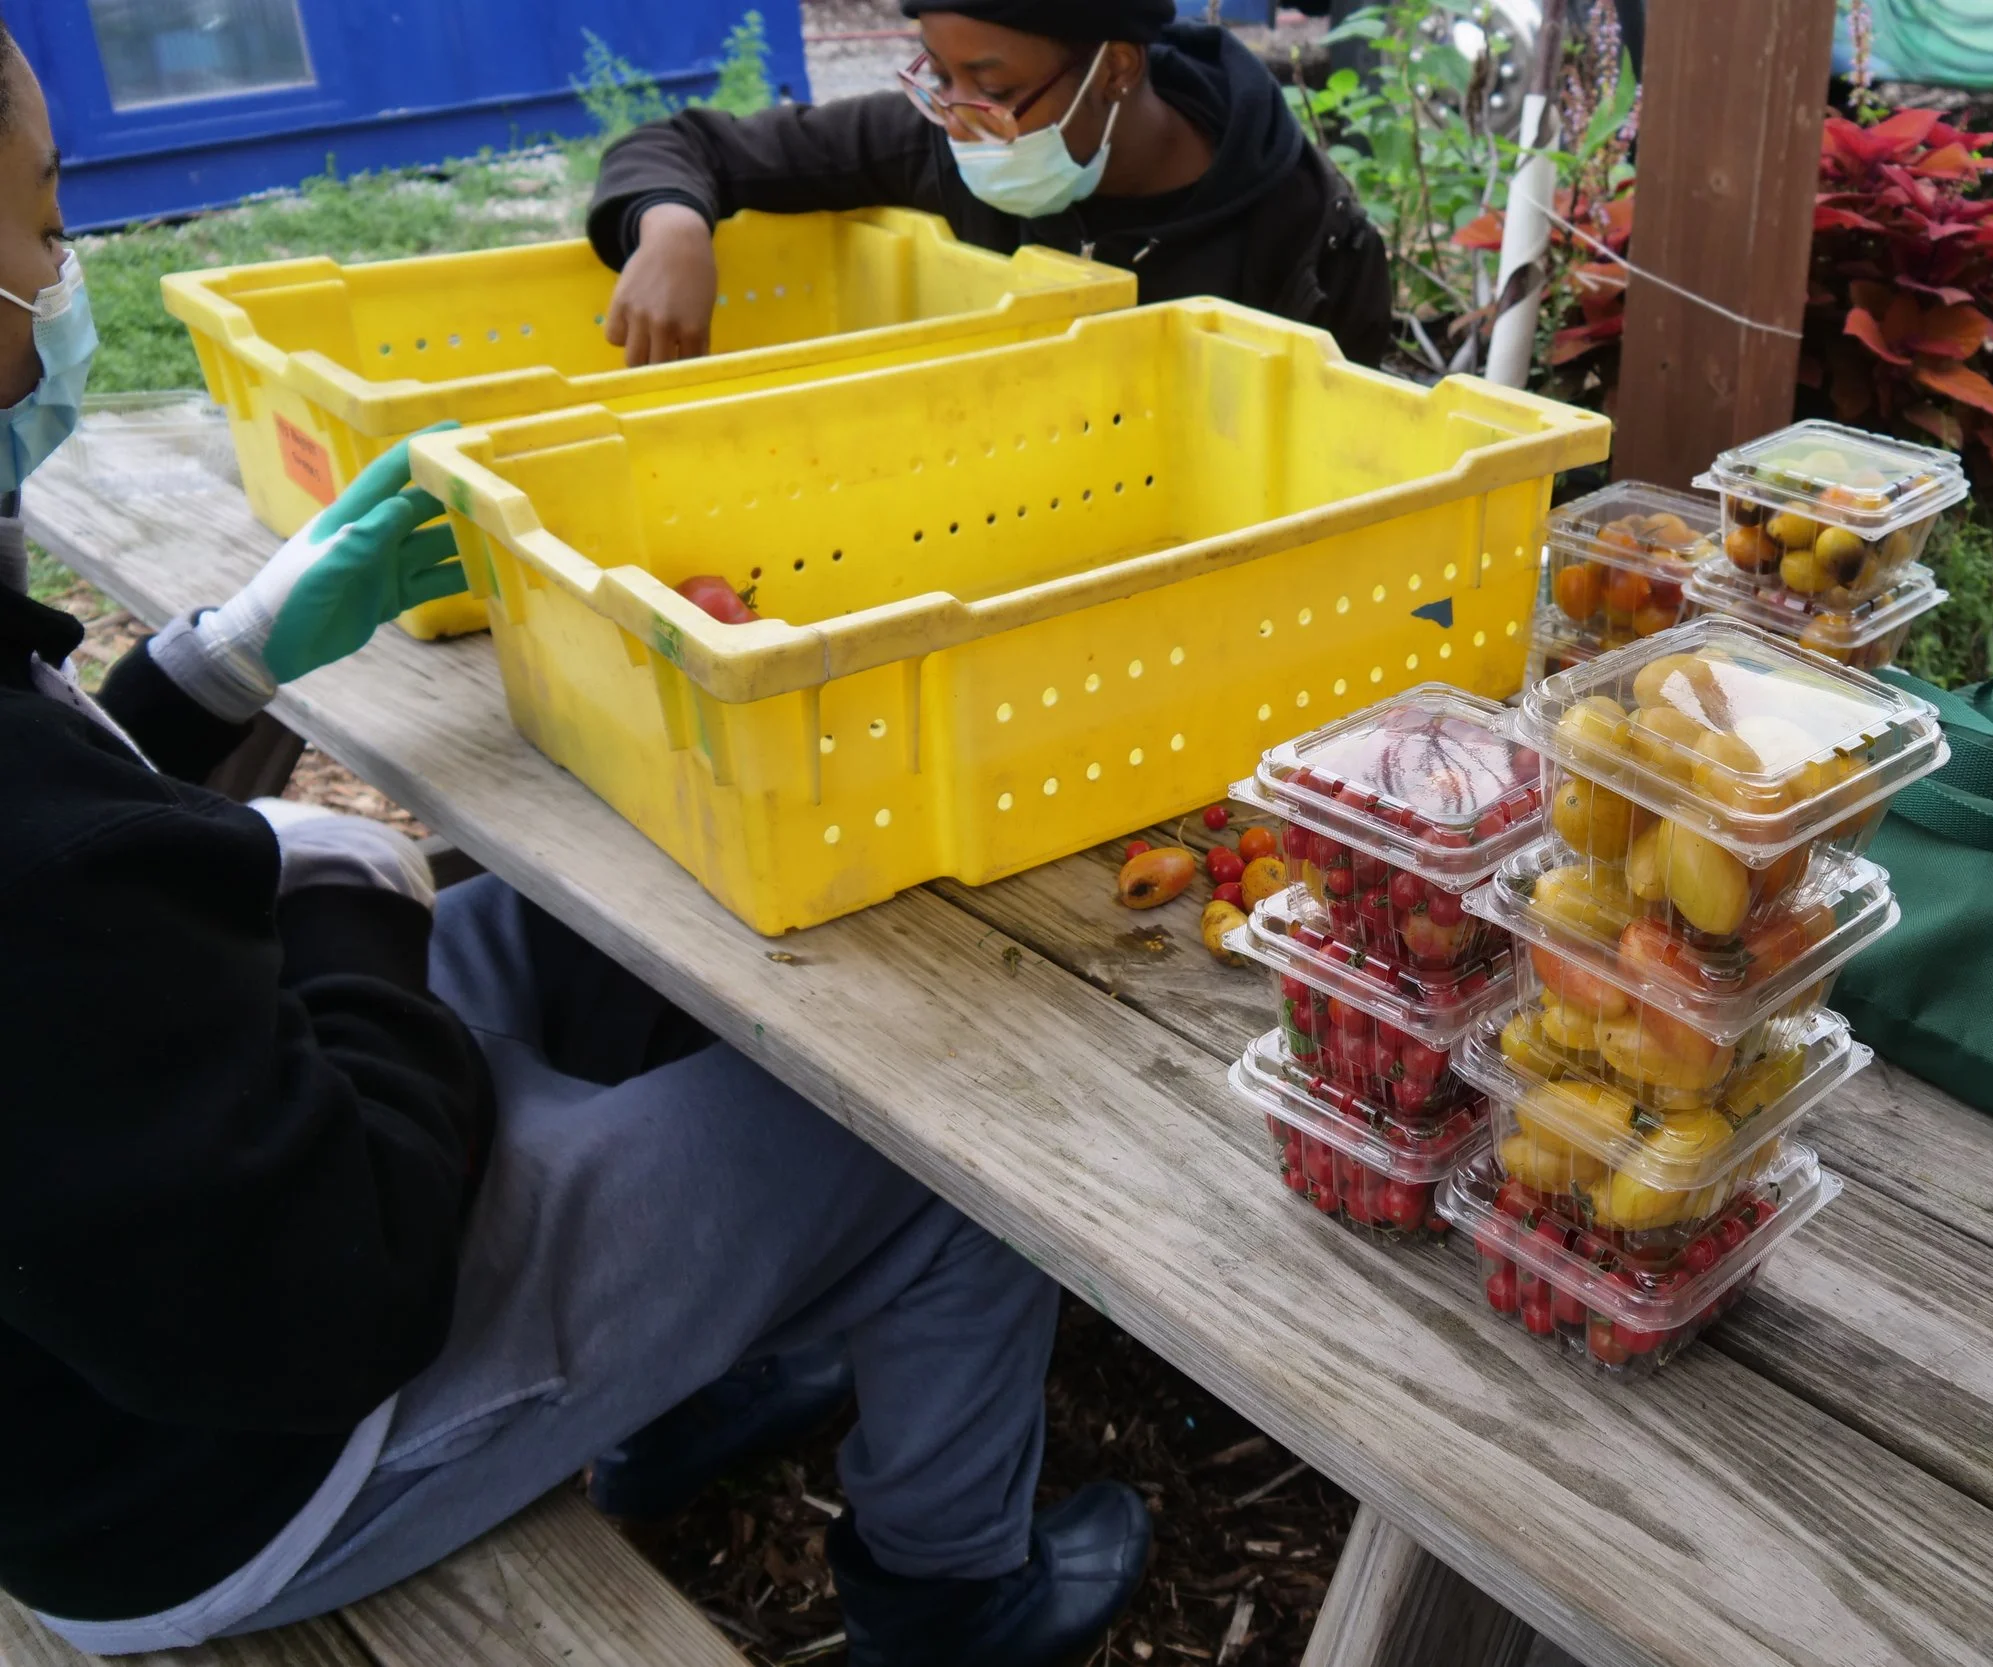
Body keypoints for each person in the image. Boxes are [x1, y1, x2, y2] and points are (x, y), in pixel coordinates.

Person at [0, 28, 1145, 1667]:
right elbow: (339, 1284)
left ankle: (699, 1363)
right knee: (955, 1156)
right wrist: (344, 887)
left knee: (575, 947)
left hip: (153, 1280)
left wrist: (216, 668)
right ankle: (955, 1593)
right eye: (42, 225)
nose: (61, 275)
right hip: (219, 1468)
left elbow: (72, 850)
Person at [592, 0, 1392, 368]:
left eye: (995, 86)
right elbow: (690, 146)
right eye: (939, 76)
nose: (960, 113)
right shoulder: (937, 142)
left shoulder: (1303, 228)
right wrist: (671, 227)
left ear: (1115, 68)